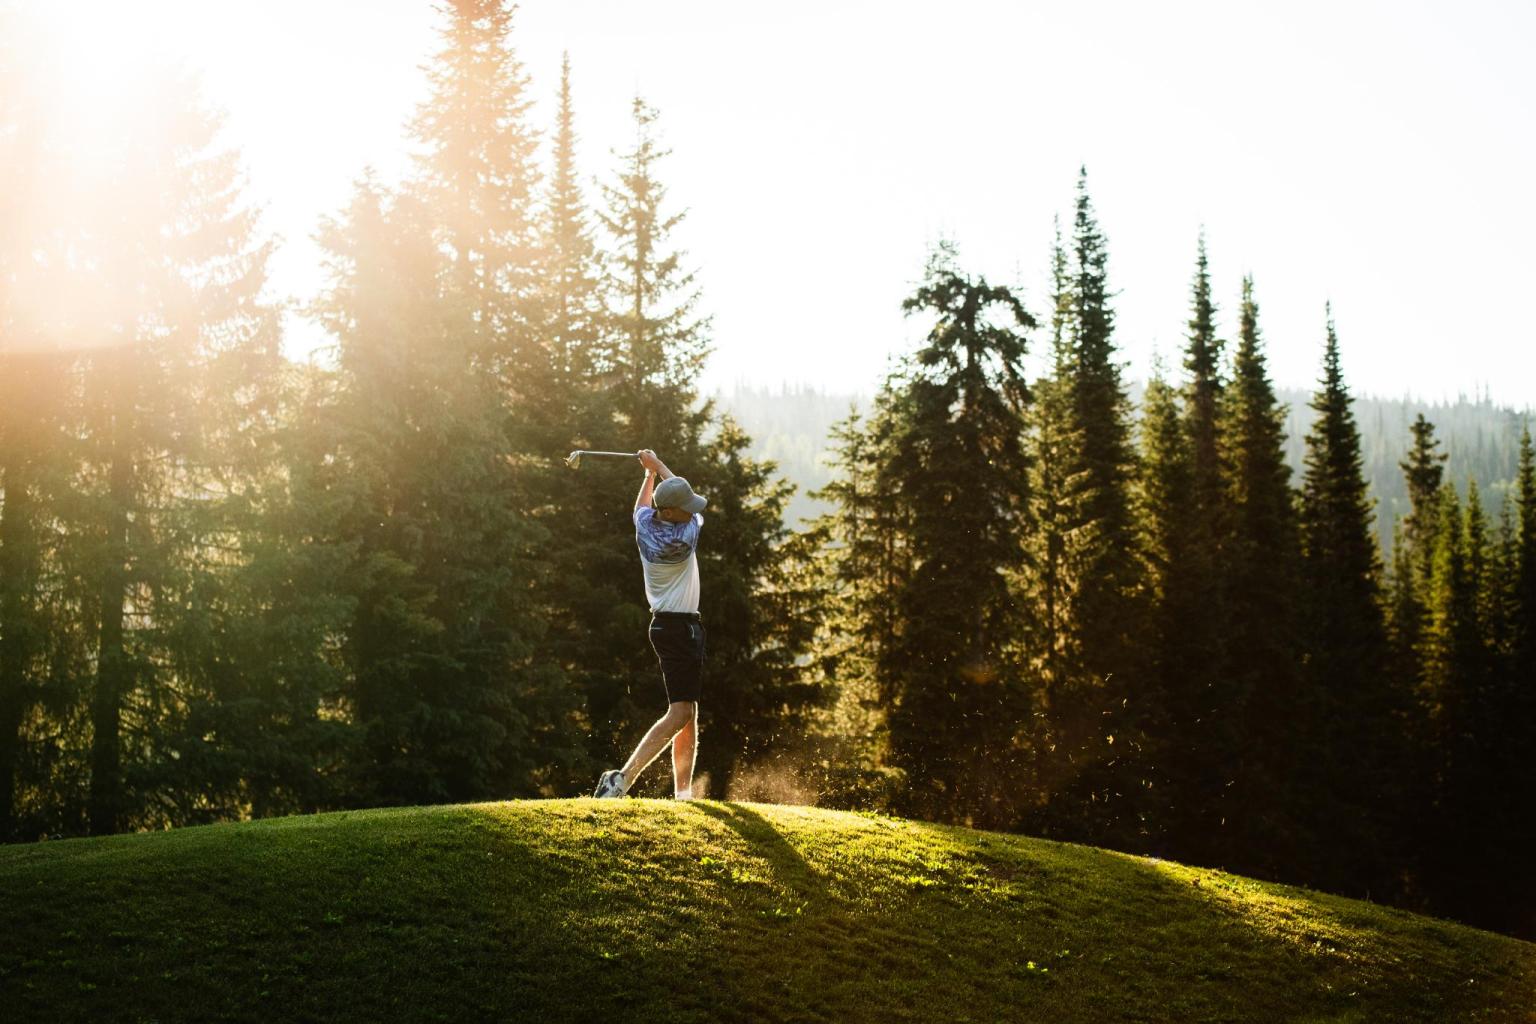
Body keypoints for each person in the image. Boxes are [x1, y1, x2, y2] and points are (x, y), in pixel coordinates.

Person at [593, 449, 708, 800]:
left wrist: (648, 476)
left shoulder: (646, 526)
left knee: (688, 711)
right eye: (685, 506)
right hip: (678, 630)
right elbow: (674, 502)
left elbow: (640, 508)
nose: (692, 510)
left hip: (669, 626)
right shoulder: (684, 535)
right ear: (672, 513)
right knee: (680, 712)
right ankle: (620, 780)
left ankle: (683, 794)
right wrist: (657, 466)